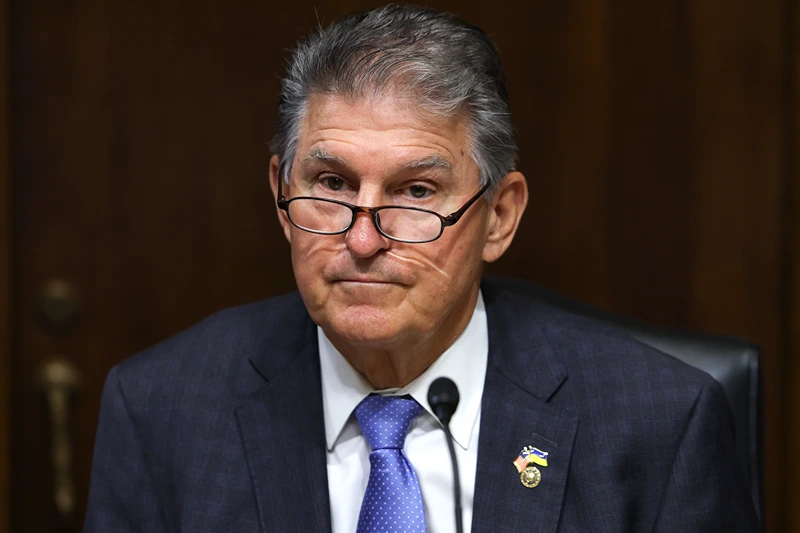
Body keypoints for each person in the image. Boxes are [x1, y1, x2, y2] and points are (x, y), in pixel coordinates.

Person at [84, 5, 758, 532]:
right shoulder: (161, 410)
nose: (365, 237)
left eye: (416, 192)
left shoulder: (657, 424)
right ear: (281, 195)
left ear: (499, 216)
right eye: (332, 182)